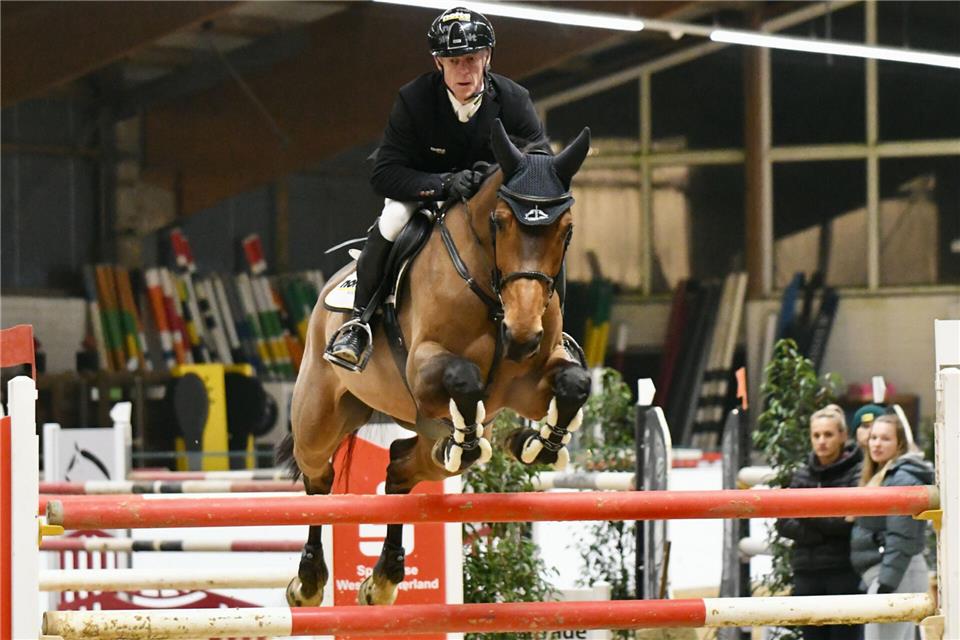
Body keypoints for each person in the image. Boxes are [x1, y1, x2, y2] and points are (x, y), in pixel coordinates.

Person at [325, 6, 548, 370]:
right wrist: (444, 184)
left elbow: (540, 159)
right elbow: (384, 173)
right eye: (453, 60)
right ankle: (359, 322)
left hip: (490, 202)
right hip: (426, 194)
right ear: (438, 63)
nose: (464, 69)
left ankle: (558, 329)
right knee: (392, 220)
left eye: (472, 58)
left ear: (487, 57)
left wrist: (494, 176)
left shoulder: (513, 98)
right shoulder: (413, 100)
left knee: (543, 229)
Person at [775, 404, 865, 640]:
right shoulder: (802, 474)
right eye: (816, 435)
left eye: (828, 434)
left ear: (843, 436)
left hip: (843, 572)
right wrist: (820, 530)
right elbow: (782, 522)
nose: (821, 441)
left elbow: (846, 523)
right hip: (806, 572)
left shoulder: (857, 472)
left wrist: (805, 514)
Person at [850, 414, 934, 640]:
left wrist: (886, 583)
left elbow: (902, 536)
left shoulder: (902, 478)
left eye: (885, 438)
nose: (876, 443)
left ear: (899, 444)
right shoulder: (882, 475)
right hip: (892, 572)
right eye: (874, 437)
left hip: (895, 573)